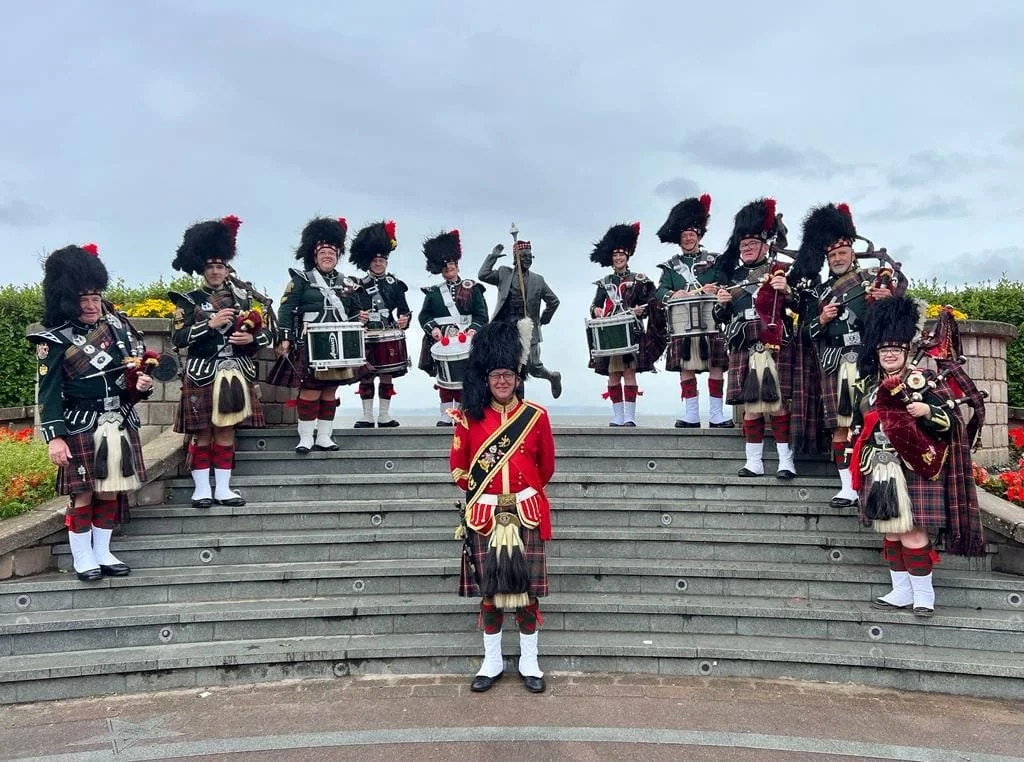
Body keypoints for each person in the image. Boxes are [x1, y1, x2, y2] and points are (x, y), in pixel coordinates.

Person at [850, 296, 985, 616]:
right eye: (884, 351)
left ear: (907, 352)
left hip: (914, 466)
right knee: (892, 530)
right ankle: (900, 591)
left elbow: (951, 422)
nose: (890, 354)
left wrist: (926, 410)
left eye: (895, 350)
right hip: (880, 467)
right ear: (878, 354)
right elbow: (859, 428)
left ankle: (924, 595)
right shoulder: (868, 389)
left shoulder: (922, 382)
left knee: (913, 531)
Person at [29, 244, 154, 581]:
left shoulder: (117, 331)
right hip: (80, 423)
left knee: (111, 490)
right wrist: (55, 438)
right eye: (83, 299)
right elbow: (49, 392)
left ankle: (103, 552)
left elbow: (128, 383)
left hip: (118, 421)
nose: (90, 305)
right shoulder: (53, 340)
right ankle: (83, 557)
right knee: (82, 493)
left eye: (95, 298)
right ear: (67, 300)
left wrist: (140, 386)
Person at [449, 318, 555, 694]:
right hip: (484, 518)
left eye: (508, 374)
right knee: (490, 597)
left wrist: (522, 494)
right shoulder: (469, 418)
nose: (502, 381)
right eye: (496, 375)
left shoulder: (536, 417)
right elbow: (459, 469)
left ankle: (530, 663)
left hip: (525, 513)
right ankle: (491, 663)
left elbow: (547, 467)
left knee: (527, 596)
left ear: (517, 376)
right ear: (487, 377)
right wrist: (487, 496)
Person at [790, 203, 900, 508]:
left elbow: (898, 314)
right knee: (840, 425)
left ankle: (874, 481)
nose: (837, 258)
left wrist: (888, 299)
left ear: (852, 254)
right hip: (834, 363)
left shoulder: (872, 280)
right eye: (832, 255)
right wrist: (822, 320)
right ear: (827, 259)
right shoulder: (821, 293)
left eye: (842, 253)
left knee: (871, 421)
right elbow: (806, 333)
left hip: (865, 359)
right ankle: (847, 488)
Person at [169, 216, 272, 507]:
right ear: (203, 270)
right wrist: (209, 325)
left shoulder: (242, 299)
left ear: (227, 268)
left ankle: (223, 489)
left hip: (236, 371)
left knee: (226, 430)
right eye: (210, 267)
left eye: (220, 266)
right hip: (203, 371)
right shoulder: (187, 300)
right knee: (203, 431)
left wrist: (251, 341)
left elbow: (266, 336)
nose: (215, 271)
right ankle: (201, 489)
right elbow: (177, 338)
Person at [712, 198, 797, 478]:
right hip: (743, 344)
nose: (746, 249)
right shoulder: (732, 275)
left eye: (751, 244)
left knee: (779, 403)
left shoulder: (782, 271)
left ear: (765, 244)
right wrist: (721, 303)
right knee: (752, 406)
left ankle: (786, 461)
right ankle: (754, 462)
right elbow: (719, 318)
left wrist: (788, 292)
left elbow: (800, 308)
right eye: (743, 245)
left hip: (773, 343)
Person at [268, 217, 359, 453]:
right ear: (315, 255)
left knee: (330, 390)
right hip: (308, 342)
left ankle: (325, 436)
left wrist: (362, 319)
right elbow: (286, 309)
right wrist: (285, 338)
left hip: (337, 343)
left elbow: (354, 312)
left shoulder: (347, 282)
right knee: (310, 390)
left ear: (338, 255)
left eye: (332, 252)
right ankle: (306, 437)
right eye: (323, 252)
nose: (328, 256)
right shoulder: (301, 280)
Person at [654, 193, 732, 428]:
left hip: (711, 319)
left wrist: (714, 287)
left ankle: (717, 415)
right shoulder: (670, 266)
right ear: (679, 240)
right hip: (682, 322)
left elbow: (724, 281)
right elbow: (660, 291)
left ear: (698, 236)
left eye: (691, 235)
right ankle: (692, 415)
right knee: (685, 368)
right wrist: (673, 294)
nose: (688, 239)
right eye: (684, 236)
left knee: (716, 366)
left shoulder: (714, 260)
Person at [417, 230, 489, 426]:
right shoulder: (432, 293)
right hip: (443, 341)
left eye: (452, 264)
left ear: (457, 265)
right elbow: (424, 316)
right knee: (444, 378)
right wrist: (433, 329)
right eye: (445, 265)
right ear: (440, 269)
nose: (449, 267)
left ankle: (464, 412)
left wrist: (473, 330)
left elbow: (482, 315)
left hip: (467, 339)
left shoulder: (472, 288)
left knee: (467, 377)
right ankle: (446, 414)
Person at [588, 222, 656, 427]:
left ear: (628, 257)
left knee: (629, 373)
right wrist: (596, 311)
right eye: (615, 255)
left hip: (632, 330)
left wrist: (640, 310)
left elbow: (652, 304)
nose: (618, 258)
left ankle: (630, 417)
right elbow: (594, 304)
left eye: (622, 255)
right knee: (612, 375)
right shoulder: (604, 282)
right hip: (609, 332)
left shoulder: (639, 280)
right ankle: (617, 417)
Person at [478, 233, 562, 398]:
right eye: (524, 256)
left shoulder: (538, 280)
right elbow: (483, 275)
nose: (527, 259)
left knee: (533, 366)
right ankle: (516, 400)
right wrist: (493, 257)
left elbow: (554, 301)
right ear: (516, 258)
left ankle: (553, 376)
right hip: (505, 327)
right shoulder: (504, 274)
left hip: (528, 328)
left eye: (530, 257)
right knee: (509, 365)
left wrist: (543, 320)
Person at [347, 220, 412, 428]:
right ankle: (367, 416)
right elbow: (350, 310)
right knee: (366, 376)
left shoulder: (395, 284)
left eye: (382, 260)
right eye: (375, 260)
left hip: (387, 332)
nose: (378, 263)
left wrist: (404, 319)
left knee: (386, 375)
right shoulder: (357, 285)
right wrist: (358, 315)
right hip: (365, 334)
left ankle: (384, 416)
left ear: (386, 262)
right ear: (369, 262)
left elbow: (403, 309)